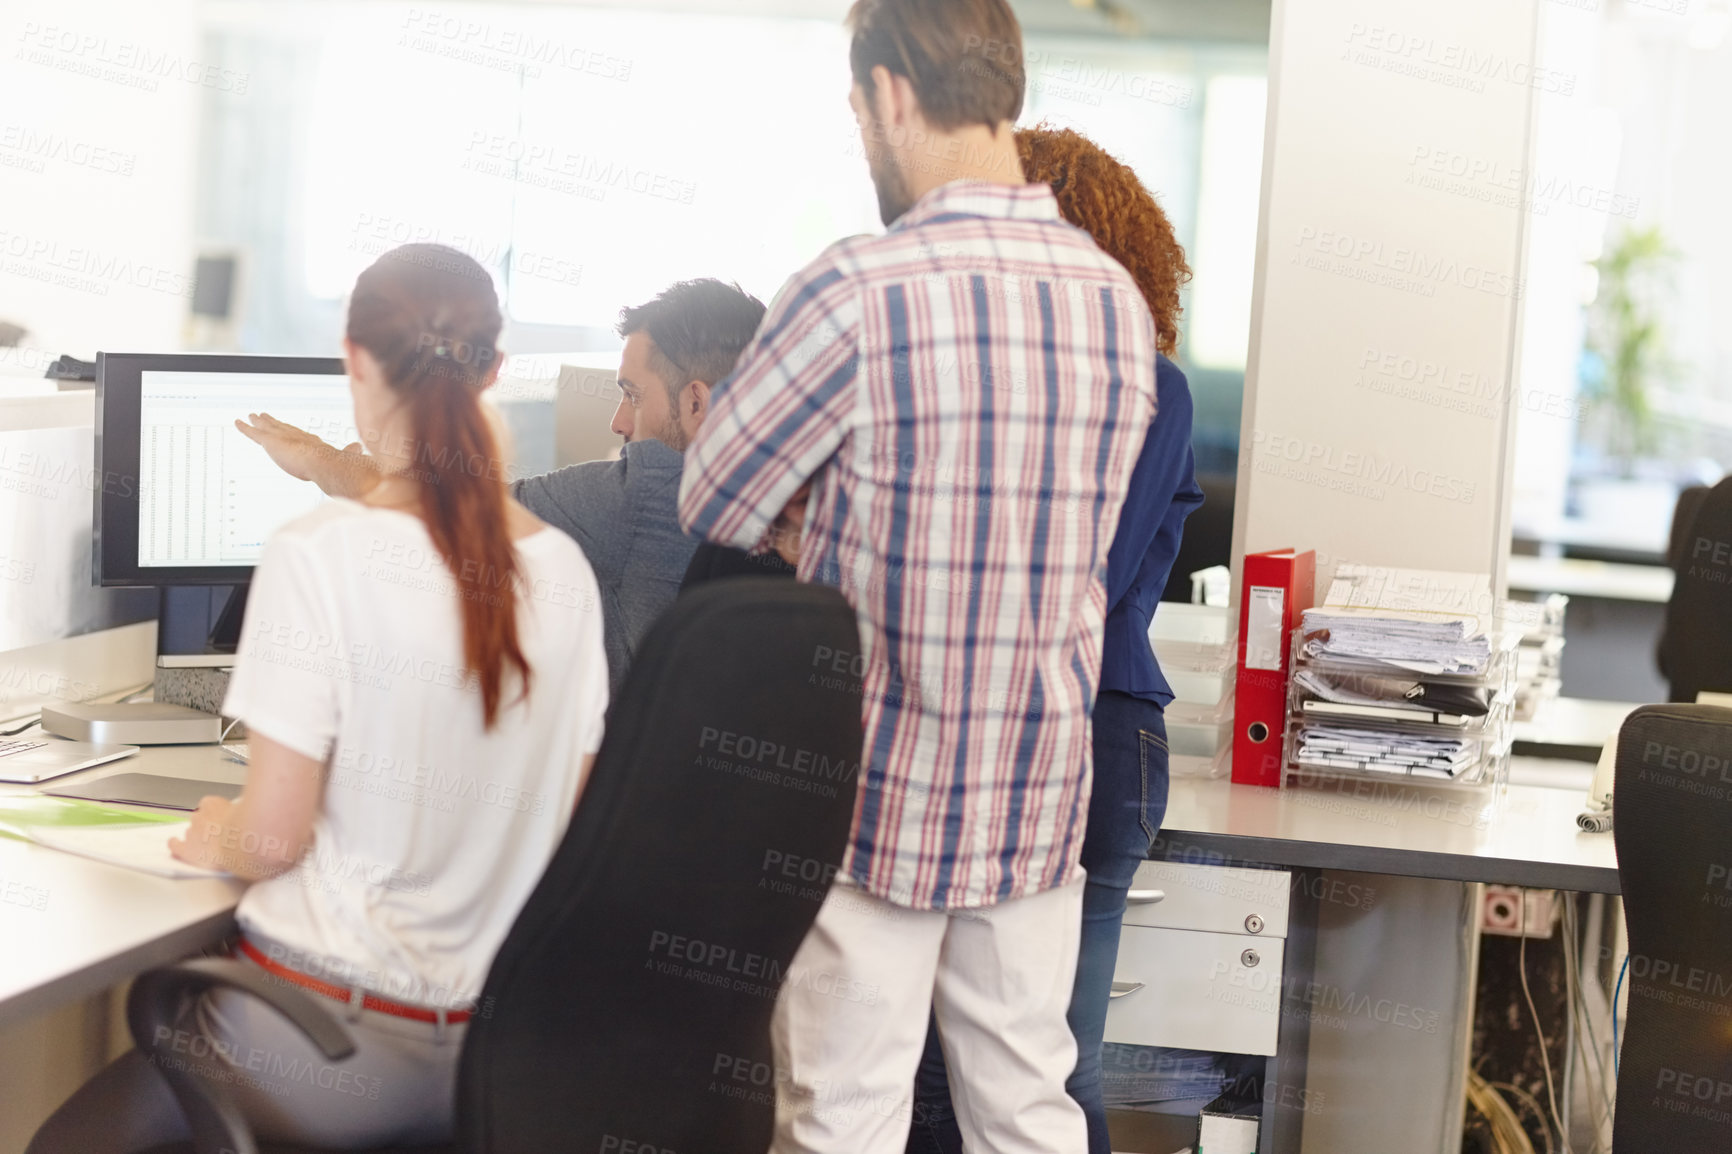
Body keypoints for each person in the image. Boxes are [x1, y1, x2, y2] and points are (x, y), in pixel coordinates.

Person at [677, 1, 1161, 1150]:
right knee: (1027, 1118)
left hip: (874, 788)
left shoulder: (859, 287)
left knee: (841, 1118)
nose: (863, 137)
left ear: (891, 93)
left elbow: (715, 496)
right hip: (1036, 787)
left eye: (858, 112)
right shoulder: (1115, 304)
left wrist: (836, 511)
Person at [27, 243, 609, 1152]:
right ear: (495, 371)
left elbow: (270, 842)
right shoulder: (562, 571)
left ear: (353, 361)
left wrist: (218, 829)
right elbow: (562, 830)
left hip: (318, 1048)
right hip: (493, 1063)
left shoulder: (319, 553)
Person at [906, 126, 1205, 1154]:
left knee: (1034, 1073)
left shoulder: (1145, 385)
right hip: (977, 732)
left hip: (1080, 735)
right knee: (933, 1081)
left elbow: (1087, 582)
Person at [239, 277, 766, 692]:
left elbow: (455, 509)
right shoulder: (785, 505)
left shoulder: (648, 489)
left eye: (631, 393)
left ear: (696, 404)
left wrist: (320, 462)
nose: (618, 422)